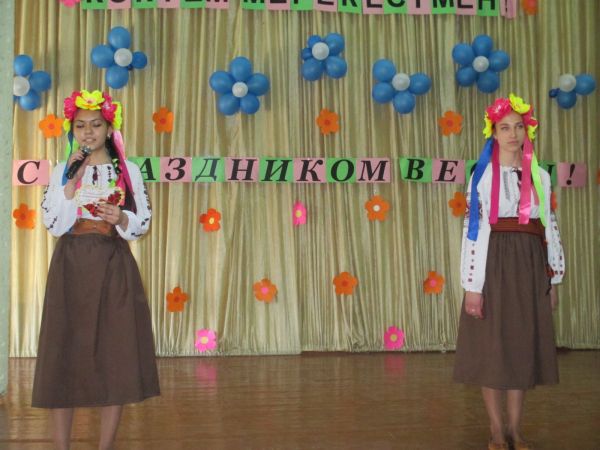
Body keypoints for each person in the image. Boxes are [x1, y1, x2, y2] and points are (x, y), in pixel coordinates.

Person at [32, 89, 160, 450]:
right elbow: (53, 223)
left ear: (109, 128)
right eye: (80, 125)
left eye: (96, 125)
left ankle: (105, 446)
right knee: (64, 353)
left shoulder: (128, 171)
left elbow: (142, 222)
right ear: (72, 130)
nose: (88, 132)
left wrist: (121, 217)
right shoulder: (63, 169)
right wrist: (69, 186)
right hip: (71, 265)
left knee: (114, 353)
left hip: (112, 265)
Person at [453, 94, 565, 450]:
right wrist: (473, 285)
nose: (513, 134)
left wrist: (553, 278)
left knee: (520, 347)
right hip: (494, 264)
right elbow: (473, 231)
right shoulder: (482, 175)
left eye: (519, 127)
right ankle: (496, 429)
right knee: (493, 348)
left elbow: (549, 227)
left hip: (529, 265)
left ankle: (516, 429)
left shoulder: (540, 175)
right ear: (494, 133)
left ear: (527, 131)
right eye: (505, 128)